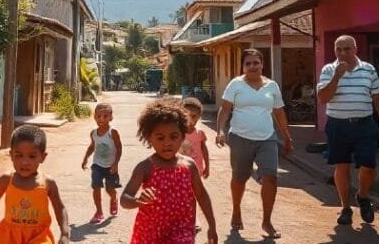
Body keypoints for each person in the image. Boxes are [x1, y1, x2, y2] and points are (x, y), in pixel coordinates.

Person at [215, 48, 292, 239]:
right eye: (248, 63)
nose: (252, 66)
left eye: (256, 62)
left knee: (270, 177)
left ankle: (267, 221)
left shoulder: (271, 86)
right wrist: (220, 131)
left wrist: (286, 136)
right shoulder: (235, 84)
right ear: (243, 67)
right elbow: (225, 109)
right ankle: (236, 211)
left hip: (267, 138)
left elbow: (279, 112)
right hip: (240, 138)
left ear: (262, 64)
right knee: (239, 178)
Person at [121, 98, 218, 244]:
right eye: (160, 138)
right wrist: (137, 201)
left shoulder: (189, 166)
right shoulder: (145, 168)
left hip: (182, 229)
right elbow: (124, 199)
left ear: (183, 136)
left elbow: (202, 195)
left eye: (174, 137)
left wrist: (212, 226)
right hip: (150, 232)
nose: (167, 143)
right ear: (149, 138)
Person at [317, 35, 379, 226]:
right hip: (338, 125)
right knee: (341, 165)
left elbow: (378, 97)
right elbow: (323, 98)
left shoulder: (368, 69)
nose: (342, 53)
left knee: (369, 166)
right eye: (338, 49)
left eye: (347, 49)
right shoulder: (328, 70)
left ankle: (362, 196)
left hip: (364, 124)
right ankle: (345, 208)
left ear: (355, 49)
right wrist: (336, 77)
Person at [0, 125, 70, 244]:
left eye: (32, 156)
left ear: (42, 157)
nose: (25, 162)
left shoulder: (48, 183)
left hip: (39, 237)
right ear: (11, 155)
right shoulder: (6, 180)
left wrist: (65, 233)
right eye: (19, 155)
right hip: (10, 237)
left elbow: (59, 207)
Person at [81, 103, 123, 223]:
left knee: (110, 189)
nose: (102, 119)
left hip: (111, 166)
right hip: (97, 165)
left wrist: (116, 164)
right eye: (98, 116)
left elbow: (119, 148)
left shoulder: (113, 132)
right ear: (94, 117)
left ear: (111, 117)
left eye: (105, 116)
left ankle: (113, 199)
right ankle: (99, 212)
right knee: (96, 187)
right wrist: (85, 159)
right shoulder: (93, 133)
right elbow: (92, 146)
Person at [181, 97, 210, 179]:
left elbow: (204, 150)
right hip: (180, 170)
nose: (190, 119)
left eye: (194, 116)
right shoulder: (177, 133)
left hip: (196, 170)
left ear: (199, 116)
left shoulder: (200, 133)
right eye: (186, 116)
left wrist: (207, 166)